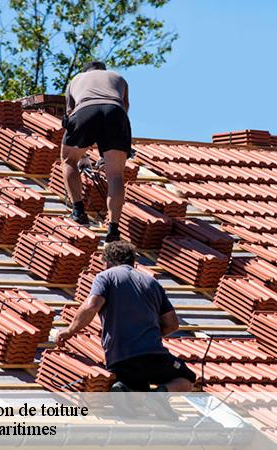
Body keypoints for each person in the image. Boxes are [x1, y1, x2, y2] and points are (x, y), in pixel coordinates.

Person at [55, 241, 196, 395]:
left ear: (108, 262)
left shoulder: (105, 277)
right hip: (153, 355)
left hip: (119, 359)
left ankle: (126, 387)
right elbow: (172, 324)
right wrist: (147, 335)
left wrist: (69, 331)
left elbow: (91, 306)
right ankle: (159, 394)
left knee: (135, 383)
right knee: (187, 379)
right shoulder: (152, 282)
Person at [61, 61, 131, 243]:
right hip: (115, 113)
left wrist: (82, 155)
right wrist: (105, 153)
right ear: (103, 70)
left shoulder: (76, 80)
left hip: (86, 111)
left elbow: (70, 114)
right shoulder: (118, 78)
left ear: (86, 72)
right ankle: (114, 228)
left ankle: (78, 210)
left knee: (68, 160)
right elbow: (125, 108)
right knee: (115, 175)